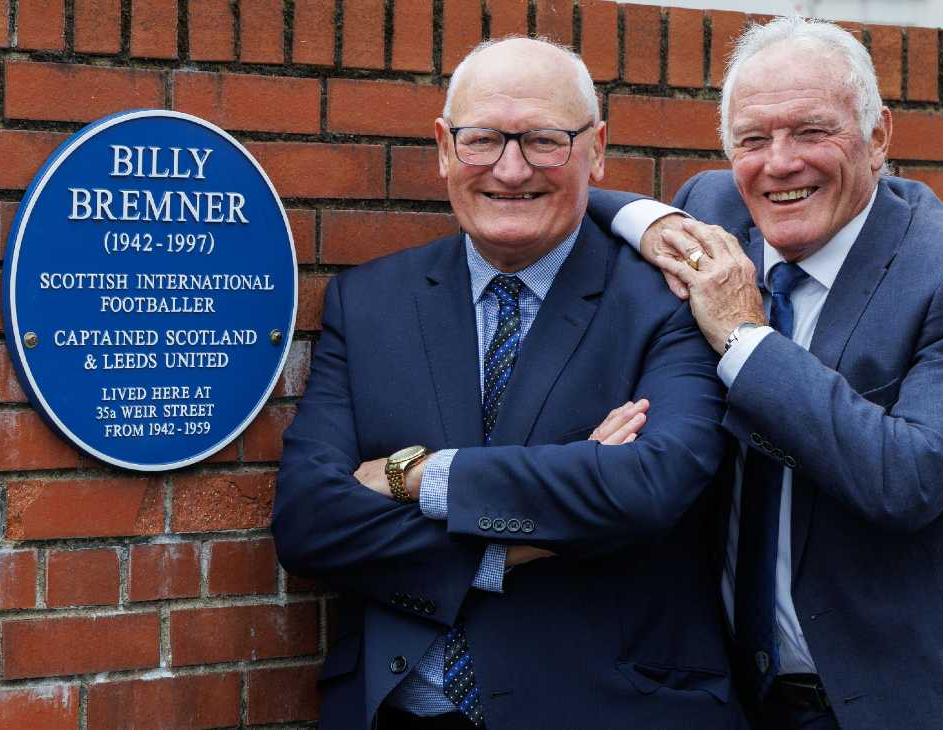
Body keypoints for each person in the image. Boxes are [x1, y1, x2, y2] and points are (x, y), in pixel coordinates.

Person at [587, 15, 943, 730]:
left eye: (811, 131)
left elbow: (904, 479)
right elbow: (575, 193)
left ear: (879, 135)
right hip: (749, 700)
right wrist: (647, 219)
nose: (780, 163)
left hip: (933, 700)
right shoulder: (715, 208)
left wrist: (743, 336)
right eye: (753, 139)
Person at [272, 37, 748, 730]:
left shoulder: (671, 303)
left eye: (545, 141)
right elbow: (309, 523)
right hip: (391, 711)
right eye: (483, 139)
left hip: (607, 708)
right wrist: (529, 535)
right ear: (442, 147)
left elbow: (650, 485)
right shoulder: (367, 302)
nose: (511, 168)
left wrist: (418, 477)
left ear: (596, 148)